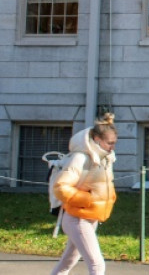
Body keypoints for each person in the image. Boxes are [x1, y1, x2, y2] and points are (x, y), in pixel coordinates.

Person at [51, 113, 118, 275]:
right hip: (77, 219)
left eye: (114, 143)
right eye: (109, 143)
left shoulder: (104, 158)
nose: (112, 147)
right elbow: (60, 186)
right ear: (97, 139)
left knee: (67, 262)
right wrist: (87, 199)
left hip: (90, 217)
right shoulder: (80, 158)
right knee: (97, 265)